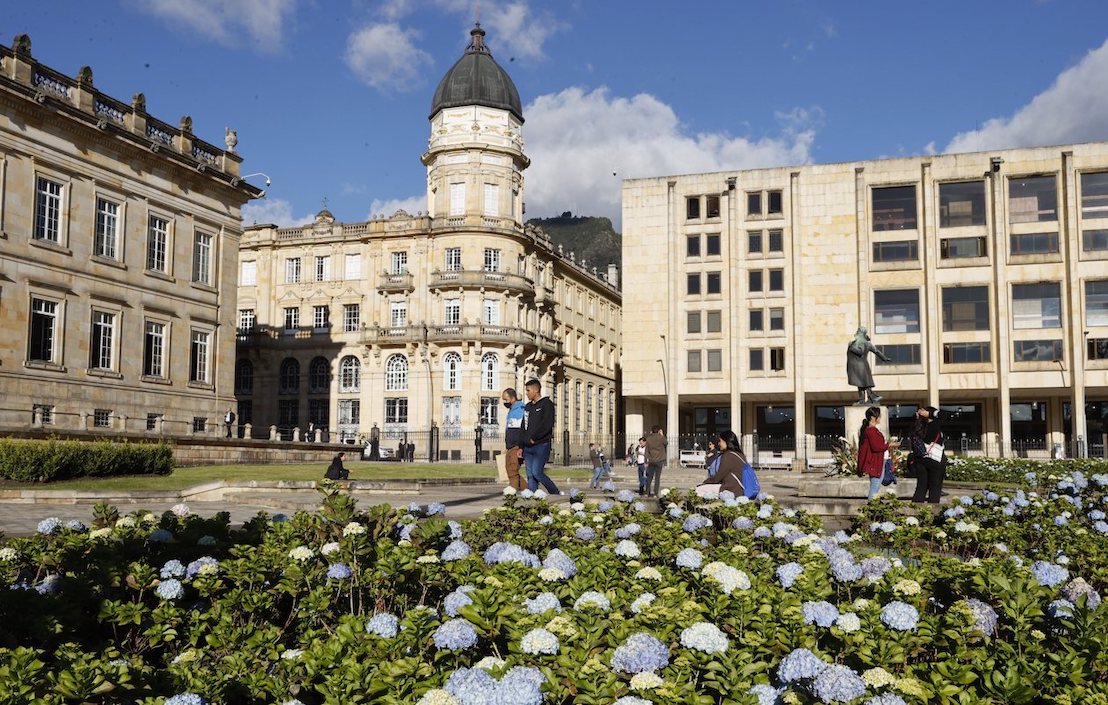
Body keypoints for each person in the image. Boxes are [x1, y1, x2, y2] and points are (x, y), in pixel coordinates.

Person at [521, 378, 560, 494]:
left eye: (528, 390)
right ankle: (532, 498)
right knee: (530, 475)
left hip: (541, 445)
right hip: (527, 447)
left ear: (536, 390)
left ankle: (555, 492)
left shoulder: (547, 404)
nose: (527, 393)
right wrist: (520, 445)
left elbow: (547, 425)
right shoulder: (528, 406)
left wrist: (535, 438)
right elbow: (524, 425)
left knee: (537, 472)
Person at [857, 406, 899, 500]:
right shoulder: (871, 430)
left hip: (878, 461)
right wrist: (889, 444)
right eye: (879, 416)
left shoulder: (870, 430)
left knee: (876, 486)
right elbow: (876, 447)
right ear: (872, 418)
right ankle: (871, 509)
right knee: (875, 487)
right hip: (876, 462)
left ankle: (872, 508)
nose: (880, 418)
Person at [700, 430, 753, 497]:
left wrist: (705, 482)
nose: (718, 444)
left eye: (720, 441)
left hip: (732, 490)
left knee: (699, 490)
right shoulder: (740, 454)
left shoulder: (728, 455)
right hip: (741, 489)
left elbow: (718, 477)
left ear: (726, 441)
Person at [911, 405, 947, 503]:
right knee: (935, 489)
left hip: (921, 460)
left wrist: (920, 416)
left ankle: (915, 511)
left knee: (921, 488)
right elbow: (944, 415)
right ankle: (932, 513)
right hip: (936, 460)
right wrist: (931, 413)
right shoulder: (935, 424)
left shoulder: (917, 426)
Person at [846, 327, 890, 405]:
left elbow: (860, 352)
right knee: (861, 384)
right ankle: (865, 399)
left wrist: (851, 347)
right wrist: (884, 358)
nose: (856, 333)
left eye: (858, 332)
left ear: (861, 333)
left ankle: (871, 397)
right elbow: (877, 351)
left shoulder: (861, 342)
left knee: (862, 383)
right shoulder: (866, 343)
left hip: (859, 367)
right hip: (860, 366)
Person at [501, 387, 527, 490]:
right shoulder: (512, 410)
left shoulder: (520, 410)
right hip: (510, 446)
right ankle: (528, 491)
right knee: (511, 470)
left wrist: (520, 446)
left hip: (516, 445)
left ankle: (512, 493)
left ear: (512, 398)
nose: (504, 402)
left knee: (512, 470)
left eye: (506, 399)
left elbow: (520, 430)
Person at [644, 425, 667, 497]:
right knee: (657, 477)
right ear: (658, 431)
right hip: (659, 460)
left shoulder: (648, 439)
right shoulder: (661, 438)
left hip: (651, 460)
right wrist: (662, 435)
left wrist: (645, 460)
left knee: (649, 477)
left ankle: (647, 492)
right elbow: (666, 443)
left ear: (652, 431)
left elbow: (646, 450)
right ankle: (655, 493)